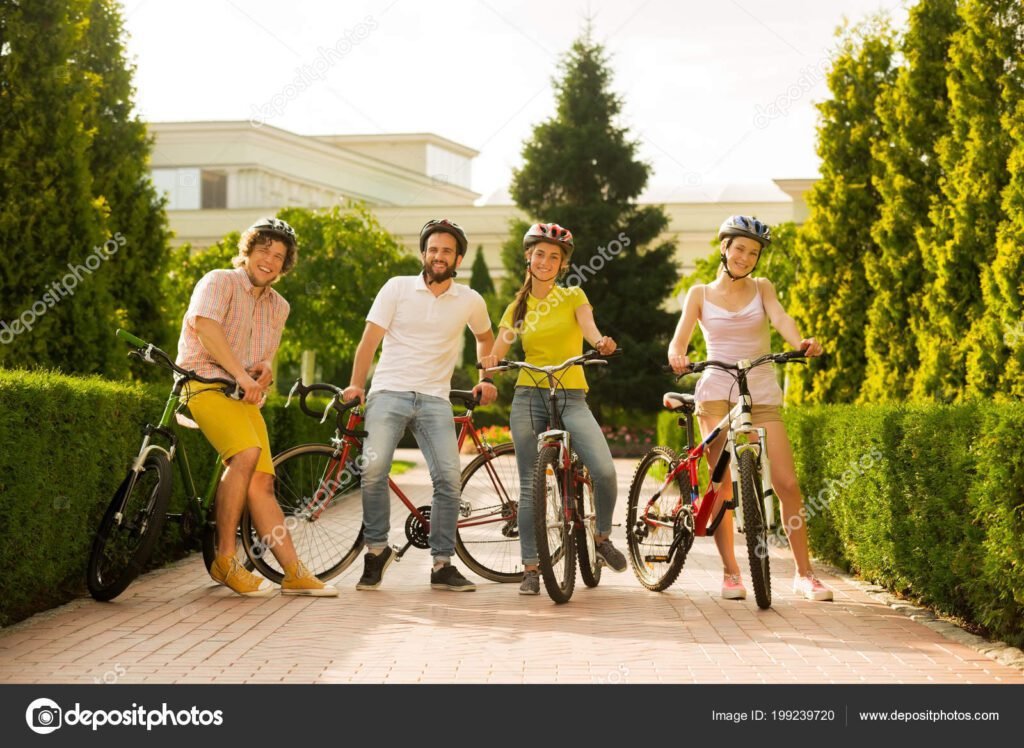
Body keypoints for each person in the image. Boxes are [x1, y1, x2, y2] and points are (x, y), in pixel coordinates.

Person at [667, 215, 832, 602]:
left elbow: (782, 319)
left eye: (753, 252)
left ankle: (804, 574)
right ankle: (731, 573)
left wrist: (801, 342)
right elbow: (680, 341)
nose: (745, 257)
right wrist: (677, 356)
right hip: (716, 393)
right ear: (724, 248)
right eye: (739, 248)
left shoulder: (762, 288)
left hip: (760, 392)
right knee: (722, 487)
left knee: (788, 483)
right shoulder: (700, 294)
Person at [177, 217, 337, 597]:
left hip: (242, 396)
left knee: (263, 481)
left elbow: (263, 359)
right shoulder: (219, 280)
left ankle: (294, 573)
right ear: (248, 251)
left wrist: (263, 371)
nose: (270, 260)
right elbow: (205, 327)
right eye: (264, 250)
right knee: (246, 455)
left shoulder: (279, 306)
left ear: (285, 266)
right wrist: (242, 376)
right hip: (202, 384)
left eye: (279, 256)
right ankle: (226, 559)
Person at [342, 219, 497, 592]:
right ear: (423, 254)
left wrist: (486, 377)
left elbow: (486, 337)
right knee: (374, 468)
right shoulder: (396, 288)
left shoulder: (470, 299)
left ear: (458, 257)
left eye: (446, 250)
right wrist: (356, 384)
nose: (438, 256)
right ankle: (377, 551)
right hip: (389, 392)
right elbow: (369, 342)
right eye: (432, 249)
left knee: (448, 479)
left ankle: (442, 564)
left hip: (434, 398)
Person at [479, 223, 627, 596]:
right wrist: (488, 367)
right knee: (532, 485)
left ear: (563, 265)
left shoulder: (574, 295)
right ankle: (531, 568)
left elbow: (589, 328)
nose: (545, 261)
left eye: (554, 257)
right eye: (539, 254)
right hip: (528, 395)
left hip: (571, 394)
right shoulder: (517, 308)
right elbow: (499, 350)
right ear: (528, 257)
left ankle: (602, 535)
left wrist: (601, 343)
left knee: (605, 471)